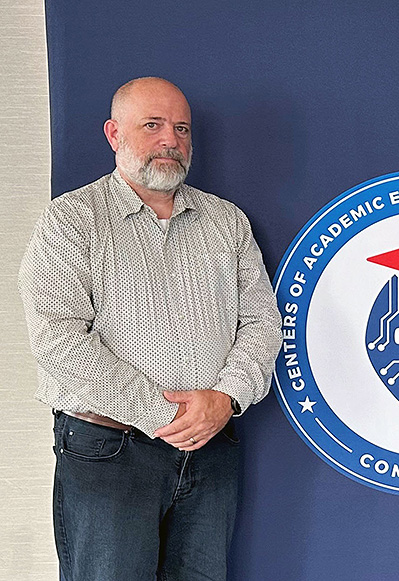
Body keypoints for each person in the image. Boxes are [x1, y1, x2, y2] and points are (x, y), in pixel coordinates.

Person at [18, 77, 282, 580]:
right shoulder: (72, 218)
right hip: (110, 452)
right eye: (153, 125)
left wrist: (225, 398)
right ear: (114, 134)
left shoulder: (227, 221)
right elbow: (57, 337)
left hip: (211, 449)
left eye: (182, 129)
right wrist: (164, 413)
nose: (171, 140)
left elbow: (262, 322)